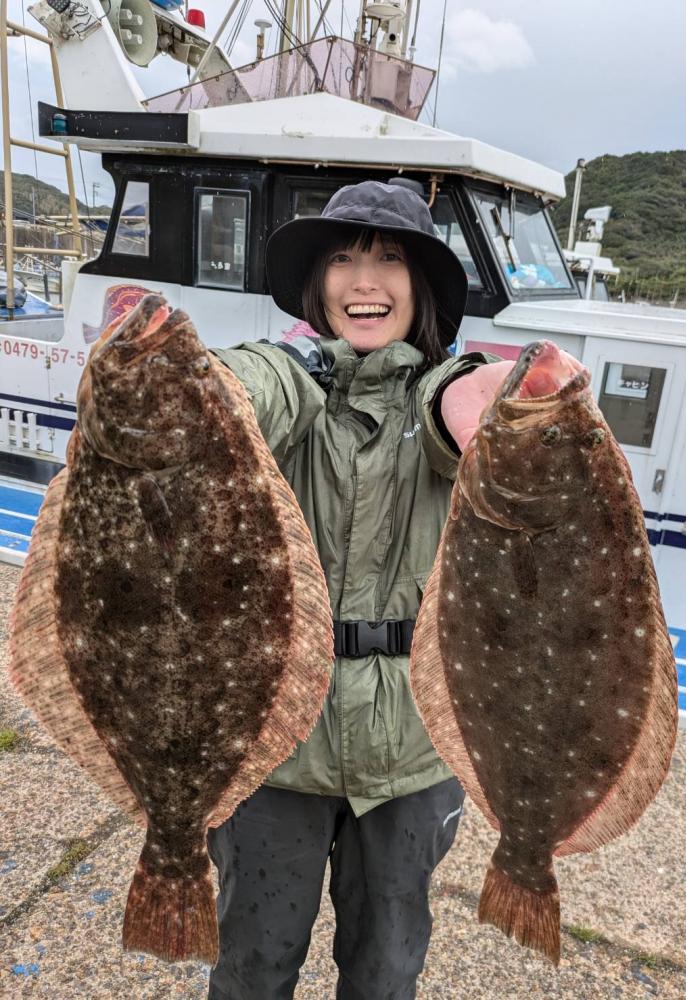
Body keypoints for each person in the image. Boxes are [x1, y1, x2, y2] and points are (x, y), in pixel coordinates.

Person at [205, 180, 531, 1000]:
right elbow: (251, 386)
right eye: (343, 259)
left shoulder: (440, 394)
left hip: (412, 754)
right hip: (273, 743)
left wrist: (495, 403)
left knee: (386, 972)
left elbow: (454, 405)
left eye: (389, 259)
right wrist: (206, 386)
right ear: (316, 285)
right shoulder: (284, 380)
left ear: (420, 287)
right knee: (252, 966)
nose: (364, 281)